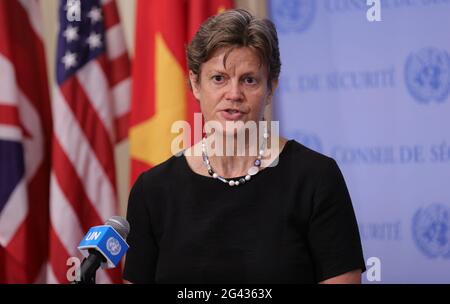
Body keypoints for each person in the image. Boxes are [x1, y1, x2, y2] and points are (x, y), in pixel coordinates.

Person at [123, 9, 366, 284]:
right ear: (195, 84)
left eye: (249, 80)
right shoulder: (152, 190)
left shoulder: (317, 178)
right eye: (219, 79)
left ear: (271, 87)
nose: (234, 94)